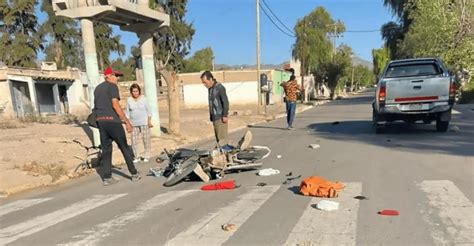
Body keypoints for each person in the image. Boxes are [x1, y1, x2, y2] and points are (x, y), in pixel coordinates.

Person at [94, 67, 141, 186]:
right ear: (108, 76)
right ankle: (134, 173)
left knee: (106, 150)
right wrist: (127, 122)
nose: (117, 78)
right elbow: (115, 105)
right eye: (115, 76)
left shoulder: (98, 88)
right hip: (113, 122)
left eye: (118, 76)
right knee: (124, 147)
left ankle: (106, 177)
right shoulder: (112, 87)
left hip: (101, 122)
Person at [200, 71, 230, 148]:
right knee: (218, 140)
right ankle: (222, 156)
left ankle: (228, 156)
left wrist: (225, 115)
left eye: (205, 82)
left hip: (220, 117)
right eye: (203, 83)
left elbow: (225, 102)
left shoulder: (220, 88)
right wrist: (211, 116)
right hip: (214, 118)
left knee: (222, 140)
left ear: (210, 79)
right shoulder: (210, 89)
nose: (204, 85)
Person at [125, 83, 152, 163]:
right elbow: (127, 113)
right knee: (134, 141)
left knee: (146, 140)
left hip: (144, 122)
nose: (135, 93)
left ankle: (146, 155)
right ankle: (136, 156)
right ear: (131, 92)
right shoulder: (129, 100)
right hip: (133, 123)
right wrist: (127, 123)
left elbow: (149, 111)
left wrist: (149, 121)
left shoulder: (144, 99)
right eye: (133, 91)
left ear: (139, 91)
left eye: (136, 91)